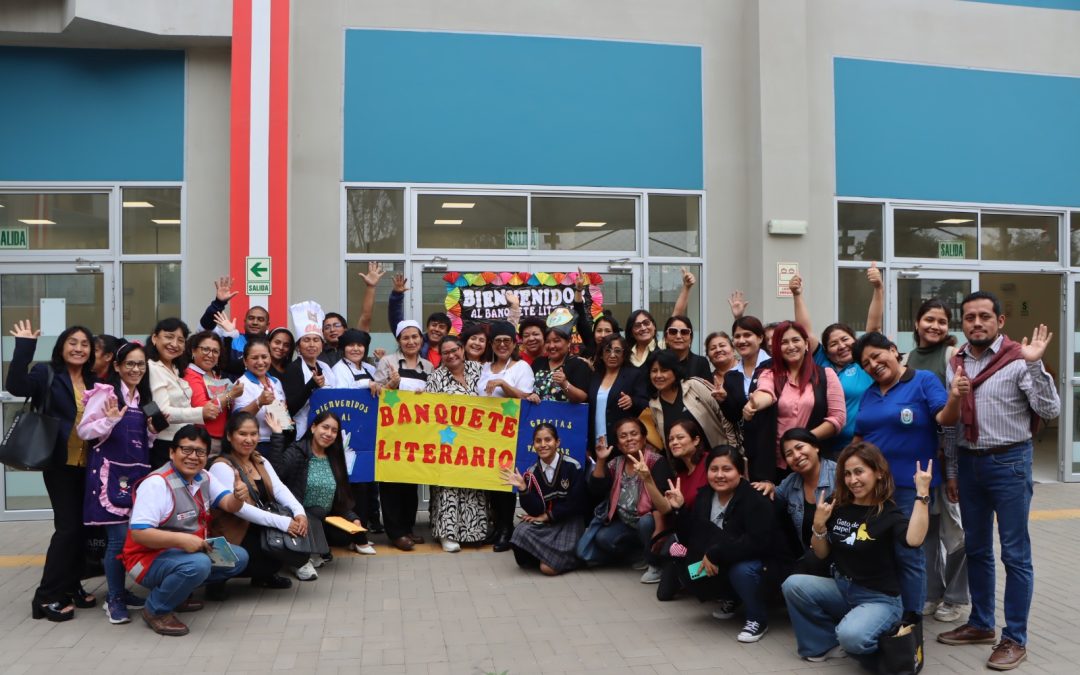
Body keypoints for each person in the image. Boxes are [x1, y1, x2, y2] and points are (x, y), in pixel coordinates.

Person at [937, 291, 1060, 671]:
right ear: (963, 323)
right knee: (976, 549)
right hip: (970, 467)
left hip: (1009, 463)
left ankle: (1014, 637)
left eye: (984, 317)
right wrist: (953, 472)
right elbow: (952, 423)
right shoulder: (956, 362)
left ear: (1000, 321)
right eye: (970, 317)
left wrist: (1037, 366)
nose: (977, 323)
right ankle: (981, 624)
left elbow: (1050, 409)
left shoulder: (1019, 361)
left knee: (1014, 554)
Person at [782, 442, 932, 665]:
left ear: (878, 473)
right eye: (848, 474)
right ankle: (823, 644)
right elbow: (822, 553)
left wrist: (922, 493)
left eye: (859, 472)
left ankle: (882, 642)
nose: (853, 480)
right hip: (843, 588)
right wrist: (819, 526)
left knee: (851, 636)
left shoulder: (889, 513)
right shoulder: (838, 504)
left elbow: (914, 539)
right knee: (793, 585)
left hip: (880, 599)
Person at [852, 331, 966, 616]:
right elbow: (859, 438)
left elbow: (945, 418)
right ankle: (906, 604)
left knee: (910, 550)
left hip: (912, 487)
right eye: (866, 363)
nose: (873, 365)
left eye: (876, 356)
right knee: (887, 549)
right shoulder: (869, 394)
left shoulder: (923, 380)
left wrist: (954, 399)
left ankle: (912, 617)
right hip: (876, 488)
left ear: (893, 349)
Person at [7, 321, 98, 622]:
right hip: (59, 463)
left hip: (88, 466)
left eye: (85, 344)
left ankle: (71, 586)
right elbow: (16, 386)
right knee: (67, 529)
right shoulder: (46, 373)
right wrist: (24, 347)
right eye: (73, 342)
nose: (79, 348)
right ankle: (45, 597)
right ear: (61, 346)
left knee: (82, 529)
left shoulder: (94, 380)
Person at [122, 425, 249, 636]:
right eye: (186, 450)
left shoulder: (204, 477)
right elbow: (139, 533)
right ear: (172, 452)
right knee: (198, 564)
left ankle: (177, 594)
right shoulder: (157, 483)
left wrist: (238, 497)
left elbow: (229, 504)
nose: (193, 457)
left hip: (183, 552)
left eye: (200, 452)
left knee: (238, 557)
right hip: (144, 559)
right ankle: (155, 610)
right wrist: (182, 541)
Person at [660, 445, 785, 643]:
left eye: (727, 469)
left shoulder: (756, 498)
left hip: (762, 561)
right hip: (724, 554)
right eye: (714, 469)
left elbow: (757, 542)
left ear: (740, 472)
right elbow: (689, 536)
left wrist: (716, 553)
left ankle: (757, 619)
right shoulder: (704, 496)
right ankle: (732, 597)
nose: (719, 475)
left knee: (741, 571)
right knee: (691, 571)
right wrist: (680, 509)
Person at [77, 339, 155, 624]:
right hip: (110, 477)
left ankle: (121, 590)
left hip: (136, 476)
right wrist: (108, 421)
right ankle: (114, 598)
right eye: (130, 364)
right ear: (118, 367)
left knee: (129, 539)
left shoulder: (141, 399)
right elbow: (84, 431)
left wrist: (152, 431)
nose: (136, 369)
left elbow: (141, 440)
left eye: (140, 364)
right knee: (117, 541)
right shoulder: (106, 394)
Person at [902, 298, 969, 623]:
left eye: (942, 321)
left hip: (945, 460)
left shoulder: (951, 358)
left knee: (953, 530)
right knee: (924, 530)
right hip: (918, 464)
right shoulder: (906, 358)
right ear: (917, 323)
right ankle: (931, 592)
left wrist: (952, 467)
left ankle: (956, 597)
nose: (935, 326)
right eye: (929, 319)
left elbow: (953, 417)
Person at [267, 411, 374, 581]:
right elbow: (276, 473)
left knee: (343, 536)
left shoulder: (334, 456)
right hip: (297, 517)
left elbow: (340, 497)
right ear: (313, 427)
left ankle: (313, 549)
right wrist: (277, 435)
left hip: (322, 519)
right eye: (325, 427)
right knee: (314, 514)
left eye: (334, 430)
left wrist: (352, 518)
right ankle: (299, 559)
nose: (329, 434)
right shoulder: (298, 451)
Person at [208, 413, 308, 591]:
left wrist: (299, 512)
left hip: (257, 528)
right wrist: (283, 522)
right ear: (229, 436)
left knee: (280, 551)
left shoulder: (259, 459)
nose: (249, 439)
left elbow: (279, 489)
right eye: (242, 434)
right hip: (233, 533)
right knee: (265, 555)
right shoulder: (221, 466)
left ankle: (262, 577)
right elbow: (240, 509)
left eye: (253, 434)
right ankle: (217, 578)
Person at [790, 264, 882, 457]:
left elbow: (873, 327)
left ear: (855, 341)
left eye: (845, 339)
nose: (840, 346)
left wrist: (877, 288)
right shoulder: (821, 363)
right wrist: (797, 295)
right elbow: (804, 332)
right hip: (823, 447)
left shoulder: (863, 363)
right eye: (833, 344)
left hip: (862, 446)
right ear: (826, 350)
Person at [742, 321, 845, 485]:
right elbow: (766, 393)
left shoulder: (826, 375)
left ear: (806, 343)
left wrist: (802, 442)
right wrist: (753, 404)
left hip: (813, 462)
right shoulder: (769, 374)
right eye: (784, 342)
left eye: (795, 340)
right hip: (774, 466)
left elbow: (837, 419)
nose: (791, 346)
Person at [578, 418, 666, 583]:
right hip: (627, 523)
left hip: (651, 521)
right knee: (603, 538)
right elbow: (596, 489)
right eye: (623, 436)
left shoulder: (657, 461)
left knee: (646, 523)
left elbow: (660, 501)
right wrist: (601, 460)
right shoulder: (615, 463)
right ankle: (639, 554)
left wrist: (660, 530)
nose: (629, 439)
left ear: (644, 438)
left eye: (634, 434)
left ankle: (656, 564)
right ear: (618, 444)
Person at [424, 336, 491, 552]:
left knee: (473, 486)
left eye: (454, 350)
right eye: (445, 353)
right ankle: (447, 534)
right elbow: (428, 411)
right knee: (448, 487)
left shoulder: (479, 370)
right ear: (441, 356)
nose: (451, 355)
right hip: (447, 443)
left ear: (462, 350)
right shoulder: (435, 377)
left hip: (476, 441)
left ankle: (474, 532)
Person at [373, 319, 434, 551]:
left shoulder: (428, 366)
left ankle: (408, 528)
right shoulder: (387, 361)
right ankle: (395, 532)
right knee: (391, 484)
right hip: (391, 431)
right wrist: (392, 383)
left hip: (417, 432)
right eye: (405, 337)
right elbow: (376, 392)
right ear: (399, 341)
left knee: (411, 482)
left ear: (421, 339)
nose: (411, 341)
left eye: (415, 337)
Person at [477, 321, 535, 552]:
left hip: (510, 433)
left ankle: (506, 529)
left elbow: (526, 396)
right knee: (490, 482)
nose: (502, 345)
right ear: (491, 344)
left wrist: (502, 383)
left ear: (514, 344)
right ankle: (496, 526)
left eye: (506, 341)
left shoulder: (522, 368)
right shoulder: (484, 367)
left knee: (505, 482)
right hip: (485, 433)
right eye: (497, 341)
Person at [502, 423, 589, 575]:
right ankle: (551, 556)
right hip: (547, 523)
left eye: (548, 440)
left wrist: (547, 516)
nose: (543, 445)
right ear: (534, 444)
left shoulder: (572, 466)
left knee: (547, 569)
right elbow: (535, 509)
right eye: (538, 441)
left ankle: (571, 558)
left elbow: (576, 503)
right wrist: (523, 489)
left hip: (569, 522)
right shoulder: (532, 472)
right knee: (520, 532)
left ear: (557, 442)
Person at [147, 318, 220, 469]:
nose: (174, 344)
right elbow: (162, 412)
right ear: (155, 338)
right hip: (164, 444)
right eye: (169, 337)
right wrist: (201, 412)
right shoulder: (151, 367)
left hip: (182, 442)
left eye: (180, 340)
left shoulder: (176, 369)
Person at [773, 428, 836, 576]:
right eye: (789, 454)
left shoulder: (840, 475)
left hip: (839, 555)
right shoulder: (790, 483)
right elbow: (769, 499)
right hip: (809, 556)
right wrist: (767, 485)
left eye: (800, 447)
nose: (796, 456)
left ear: (816, 446)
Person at [646, 349, 737, 451]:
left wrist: (731, 450)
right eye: (654, 371)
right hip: (684, 465)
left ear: (675, 371)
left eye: (664, 370)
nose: (658, 375)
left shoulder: (694, 385)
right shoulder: (654, 404)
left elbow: (725, 416)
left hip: (717, 459)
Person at [183, 330, 244, 454]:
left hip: (222, 440)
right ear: (193, 351)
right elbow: (203, 409)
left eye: (215, 351)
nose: (210, 355)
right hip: (202, 440)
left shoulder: (216, 375)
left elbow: (225, 408)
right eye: (205, 349)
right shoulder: (191, 374)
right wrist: (230, 395)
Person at [283, 301, 337, 438]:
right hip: (303, 433)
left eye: (316, 340)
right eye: (306, 340)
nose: (312, 344)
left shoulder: (325, 368)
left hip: (327, 431)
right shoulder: (293, 369)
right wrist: (311, 385)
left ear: (322, 345)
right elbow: (291, 408)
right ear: (298, 346)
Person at [197, 275, 269, 376]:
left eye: (260, 319)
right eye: (251, 318)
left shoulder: (272, 345)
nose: (255, 322)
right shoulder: (232, 337)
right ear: (244, 321)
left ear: (267, 325)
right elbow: (203, 330)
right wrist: (218, 303)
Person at [623, 267, 694, 369]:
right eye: (637, 325)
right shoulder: (625, 353)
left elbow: (677, 314)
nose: (643, 328)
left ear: (654, 327)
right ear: (631, 331)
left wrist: (686, 288)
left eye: (646, 323)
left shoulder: (662, 347)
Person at [587, 334, 648, 448]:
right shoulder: (595, 376)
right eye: (607, 351)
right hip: (596, 441)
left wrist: (632, 401)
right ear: (601, 354)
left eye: (617, 351)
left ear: (624, 354)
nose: (612, 355)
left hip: (623, 443)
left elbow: (645, 403)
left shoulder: (634, 375)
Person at [231, 337, 289, 453]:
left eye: (264, 357)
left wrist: (285, 416)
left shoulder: (276, 382)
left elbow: (284, 417)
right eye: (254, 358)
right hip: (254, 445)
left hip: (278, 441)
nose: (261, 362)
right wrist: (259, 402)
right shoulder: (241, 383)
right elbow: (237, 419)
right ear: (245, 361)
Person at [388, 272, 451, 367]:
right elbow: (395, 319)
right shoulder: (416, 344)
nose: (436, 329)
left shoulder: (451, 350)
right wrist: (396, 295)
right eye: (434, 325)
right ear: (427, 327)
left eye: (441, 327)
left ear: (447, 332)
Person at [529, 324, 590, 404]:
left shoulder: (578, 364)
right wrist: (531, 395)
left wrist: (564, 384)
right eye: (547, 342)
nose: (551, 346)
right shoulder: (538, 362)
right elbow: (527, 389)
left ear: (568, 342)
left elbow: (582, 397)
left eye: (556, 341)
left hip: (566, 416)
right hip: (538, 415)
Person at [662, 315, 712, 380]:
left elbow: (706, 390)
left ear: (690, 338)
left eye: (684, 332)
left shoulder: (701, 363)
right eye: (673, 331)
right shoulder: (658, 362)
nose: (678, 336)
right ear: (666, 338)